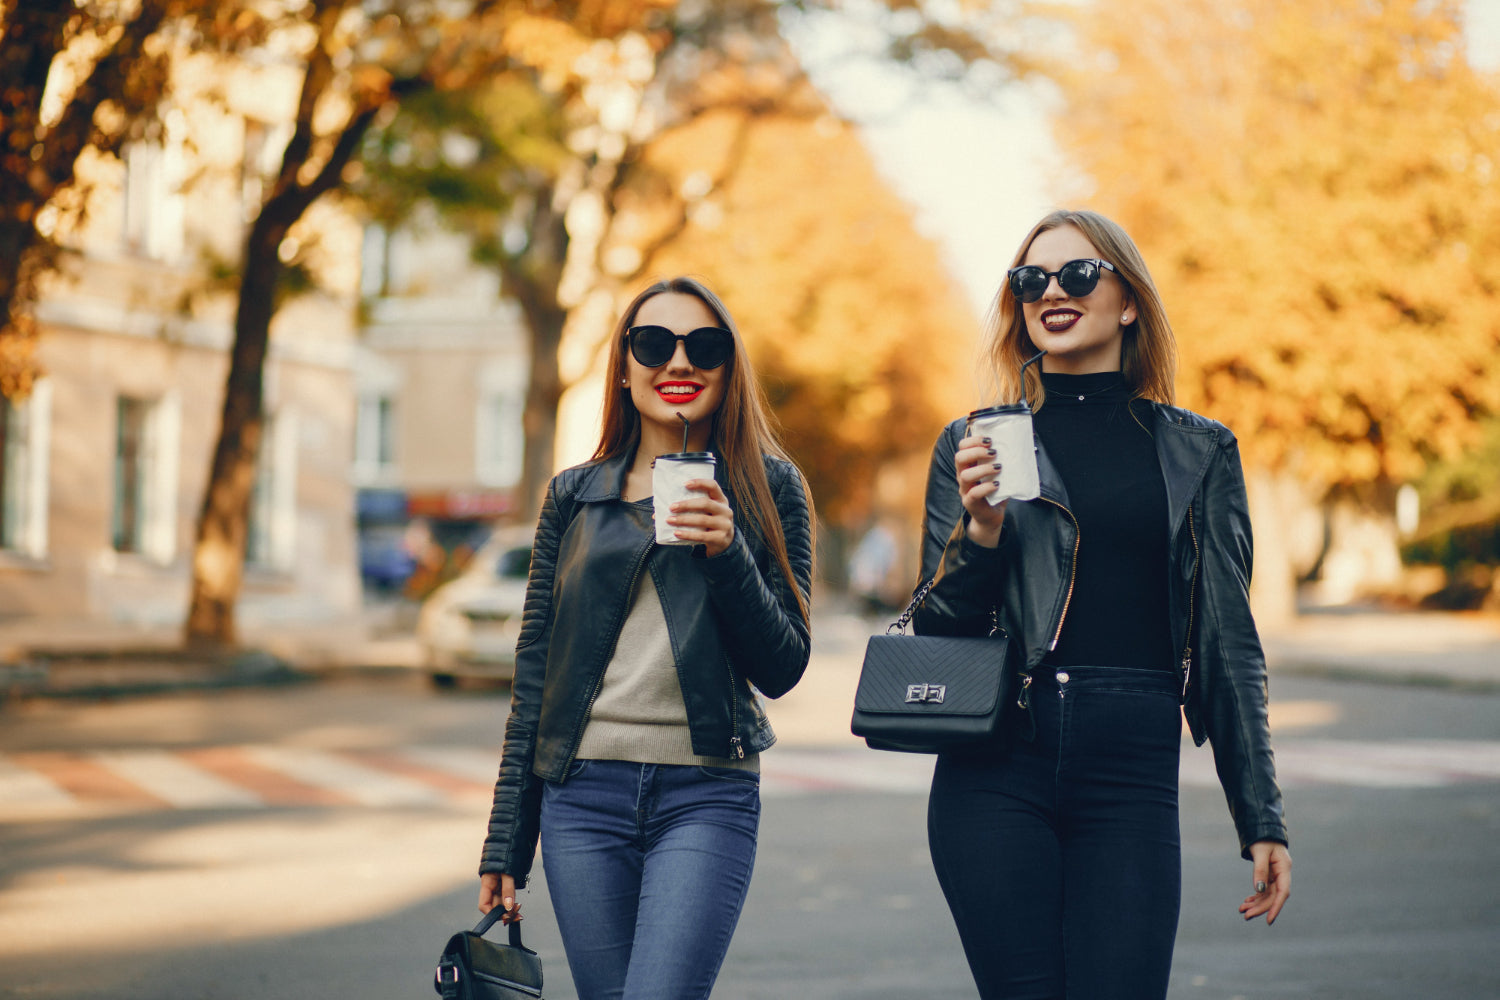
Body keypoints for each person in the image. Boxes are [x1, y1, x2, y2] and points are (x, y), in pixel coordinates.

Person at [912, 209, 1292, 1000]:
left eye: (1078, 274)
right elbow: (939, 627)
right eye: (1031, 279)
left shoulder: (1199, 450)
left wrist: (1261, 814)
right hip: (997, 764)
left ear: (1128, 303)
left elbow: (1227, 641)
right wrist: (981, 531)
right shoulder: (973, 444)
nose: (1051, 291)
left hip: (1131, 770)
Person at [477, 276, 814, 1000]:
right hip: (581, 800)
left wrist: (727, 551)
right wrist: (508, 840)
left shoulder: (771, 488)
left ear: (729, 369)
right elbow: (535, 677)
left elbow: (784, 665)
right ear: (625, 369)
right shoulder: (573, 496)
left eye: (705, 347)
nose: (679, 363)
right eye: (654, 344)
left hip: (706, 794)